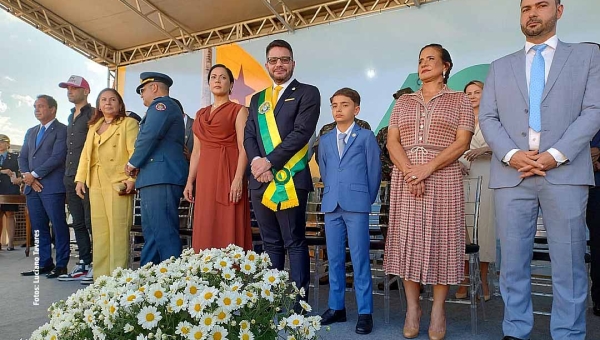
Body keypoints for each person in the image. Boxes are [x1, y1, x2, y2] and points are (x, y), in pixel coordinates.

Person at [479, 1, 600, 338]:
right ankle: (515, 330)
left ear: (559, 11)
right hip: (512, 173)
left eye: (541, 5)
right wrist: (512, 153)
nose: (532, 12)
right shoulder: (500, 66)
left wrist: (556, 154)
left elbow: (594, 110)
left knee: (569, 262)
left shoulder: (587, 57)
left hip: (565, 171)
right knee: (512, 262)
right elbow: (488, 117)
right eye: (525, 7)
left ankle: (568, 333)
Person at [384, 44, 474, 340]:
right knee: (407, 241)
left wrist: (428, 168)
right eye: (420, 60)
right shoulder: (404, 101)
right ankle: (412, 309)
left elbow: (462, 142)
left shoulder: (459, 99)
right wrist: (412, 171)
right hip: (406, 176)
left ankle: (437, 309)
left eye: (430, 59)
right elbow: (392, 142)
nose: (423, 64)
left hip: (444, 175)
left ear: (446, 66)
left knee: (442, 242)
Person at [244, 39, 320, 299]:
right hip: (259, 180)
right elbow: (249, 136)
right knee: (270, 243)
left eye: (284, 59)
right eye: (274, 60)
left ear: (293, 63)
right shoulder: (257, 99)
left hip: (291, 180)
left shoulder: (308, 93)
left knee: (294, 242)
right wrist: (257, 163)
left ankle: (299, 304)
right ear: (266, 64)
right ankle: (272, 300)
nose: (279, 64)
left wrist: (269, 162)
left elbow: (301, 134)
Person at [318, 88, 381, 335]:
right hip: (332, 204)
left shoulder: (366, 137)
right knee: (333, 258)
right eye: (334, 105)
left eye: (344, 105)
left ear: (356, 109)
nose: (338, 109)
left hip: (356, 205)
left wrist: (365, 199)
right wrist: (334, 190)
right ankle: (337, 307)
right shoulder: (324, 140)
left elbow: (374, 171)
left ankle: (365, 311)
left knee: (359, 258)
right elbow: (324, 169)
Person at [183, 64, 252, 251]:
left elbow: (243, 147)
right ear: (209, 83)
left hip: (229, 173)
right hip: (205, 178)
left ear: (231, 85)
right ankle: (205, 273)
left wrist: (239, 179)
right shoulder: (200, 114)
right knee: (206, 222)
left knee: (228, 222)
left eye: (223, 77)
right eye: (213, 77)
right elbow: (196, 151)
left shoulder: (239, 110)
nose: (217, 80)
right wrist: (190, 181)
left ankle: (233, 270)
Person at [75, 88, 138, 281]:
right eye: (103, 100)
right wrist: (80, 179)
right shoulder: (94, 126)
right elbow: (86, 155)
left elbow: (135, 153)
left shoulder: (129, 123)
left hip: (117, 182)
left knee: (118, 231)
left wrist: (132, 180)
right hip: (95, 182)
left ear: (120, 104)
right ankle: (101, 280)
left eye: (112, 99)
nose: (108, 103)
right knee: (100, 231)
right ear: (99, 105)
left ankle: (118, 280)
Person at [126, 72, 188, 266]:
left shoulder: (162, 105)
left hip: (161, 176)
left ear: (154, 87)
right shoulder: (160, 108)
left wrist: (133, 162)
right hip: (153, 176)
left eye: (142, 90)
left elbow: (149, 136)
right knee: (152, 233)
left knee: (164, 232)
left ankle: (174, 282)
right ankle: (149, 279)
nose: (141, 95)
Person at [19, 95, 71, 278]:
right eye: (35, 106)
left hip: (52, 186)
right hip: (32, 188)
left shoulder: (62, 130)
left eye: (41, 106)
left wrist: (33, 176)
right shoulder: (31, 131)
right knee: (39, 227)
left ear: (53, 109)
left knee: (58, 225)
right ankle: (44, 263)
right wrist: (27, 176)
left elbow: (57, 157)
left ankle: (62, 264)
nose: (36, 109)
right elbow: (22, 156)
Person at [455, 80, 495, 301]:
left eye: (476, 92)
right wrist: (456, 161)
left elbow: (507, 144)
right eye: (468, 92)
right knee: (463, 228)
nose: (471, 96)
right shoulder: (460, 119)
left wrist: (484, 149)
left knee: (484, 228)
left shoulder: (494, 118)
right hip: (462, 176)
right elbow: (451, 147)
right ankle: (463, 279)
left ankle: (483, 280)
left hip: (488, 173)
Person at [57, 75, 94, 282]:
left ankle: (98, 264)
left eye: (74, 88)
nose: (70, 91)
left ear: (86, 91)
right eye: (67, 88)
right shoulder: (71, 115)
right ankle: (83, 263)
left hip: (87, 177)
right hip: (69, 176)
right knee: (78, 223)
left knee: (90, 222)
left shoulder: (93, 114)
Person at [0, 134, 21, 251]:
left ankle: (10, 243)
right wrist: (3, 171)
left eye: (2, 141)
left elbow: (21, 171)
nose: (0, 144)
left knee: (10, 214)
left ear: (8, 144)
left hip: (10, 189)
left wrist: (19, 180)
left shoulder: (15, 157)